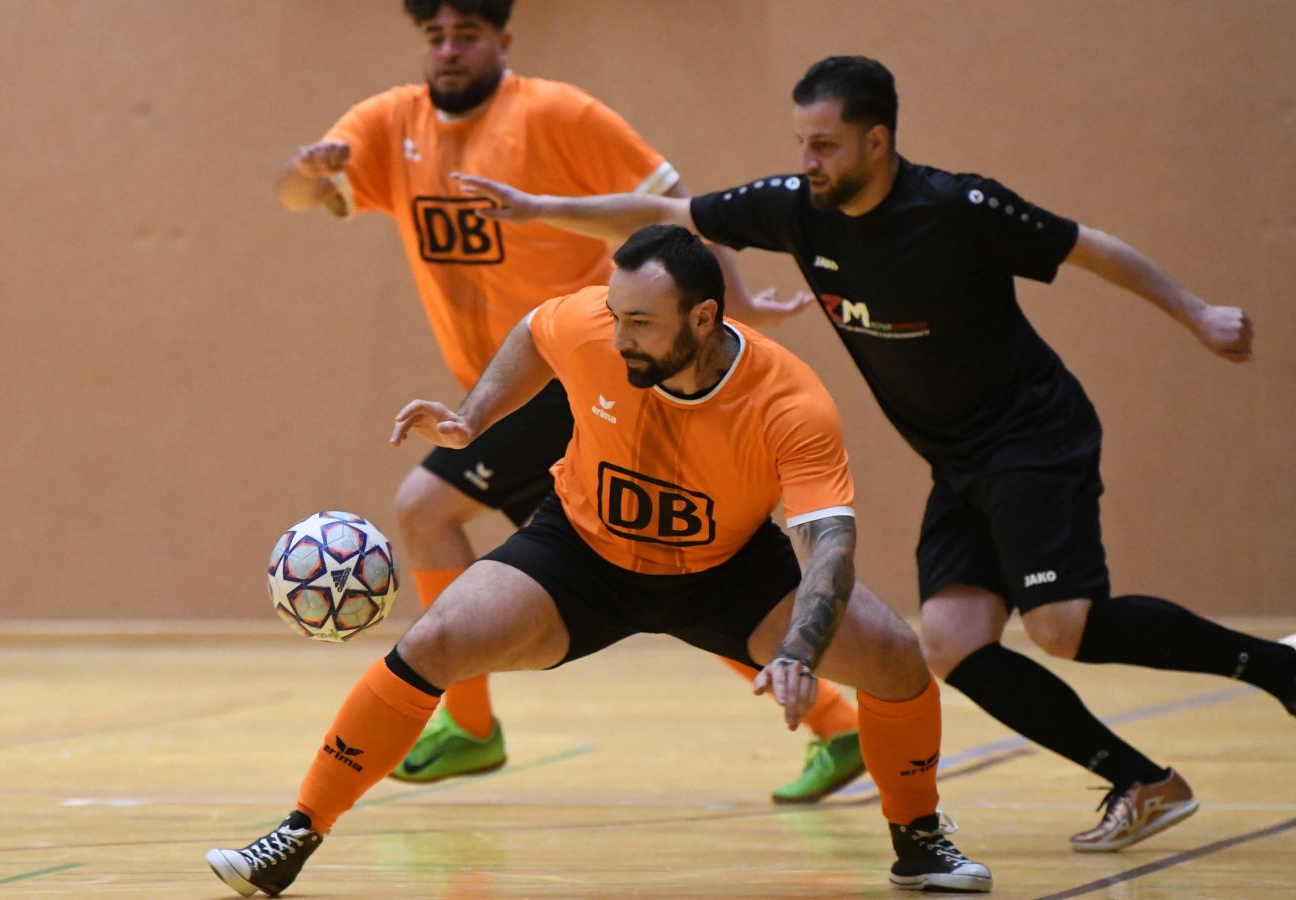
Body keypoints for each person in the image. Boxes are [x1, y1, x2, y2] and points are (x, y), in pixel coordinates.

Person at [452, 54, 1296, 853]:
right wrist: (541, 210)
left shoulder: (957, 208)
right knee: (949, 643)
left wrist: (1197, 312)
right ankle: (1143, 780)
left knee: (1060, 624)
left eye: (825, 144)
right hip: (957, 460)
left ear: (877, 142)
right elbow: (666, 213)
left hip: (1034, 436)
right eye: (800, 142)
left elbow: (1088, 248)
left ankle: (1284, 667)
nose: (807, 161)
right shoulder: (798, 210)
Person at [207, 225, 994, 896]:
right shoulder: (597, 326)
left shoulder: (788, 400)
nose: (618, 337)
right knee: (435, 641)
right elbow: (536, 330)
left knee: (896, 658)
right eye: (615, 316)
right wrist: (471, 419)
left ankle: (919, 838)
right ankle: (296, 832)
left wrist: (798, 650)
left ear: (704, 318)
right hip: (580, 555)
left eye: (640, 324)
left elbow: (828, 543)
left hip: (726, 570)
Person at [274, 0, 864, 802]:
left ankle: (470, 727)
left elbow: (673, 204)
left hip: (578, 378)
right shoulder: (389, 123)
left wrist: (740, 300)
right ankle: (835, 722)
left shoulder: (559, 114)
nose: (449, 50)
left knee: (424, 506)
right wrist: (306, 172)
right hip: (502, 387)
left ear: (502, 40)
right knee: (655, 585)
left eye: (467, 34)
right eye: (435, 37)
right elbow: (297, 197)